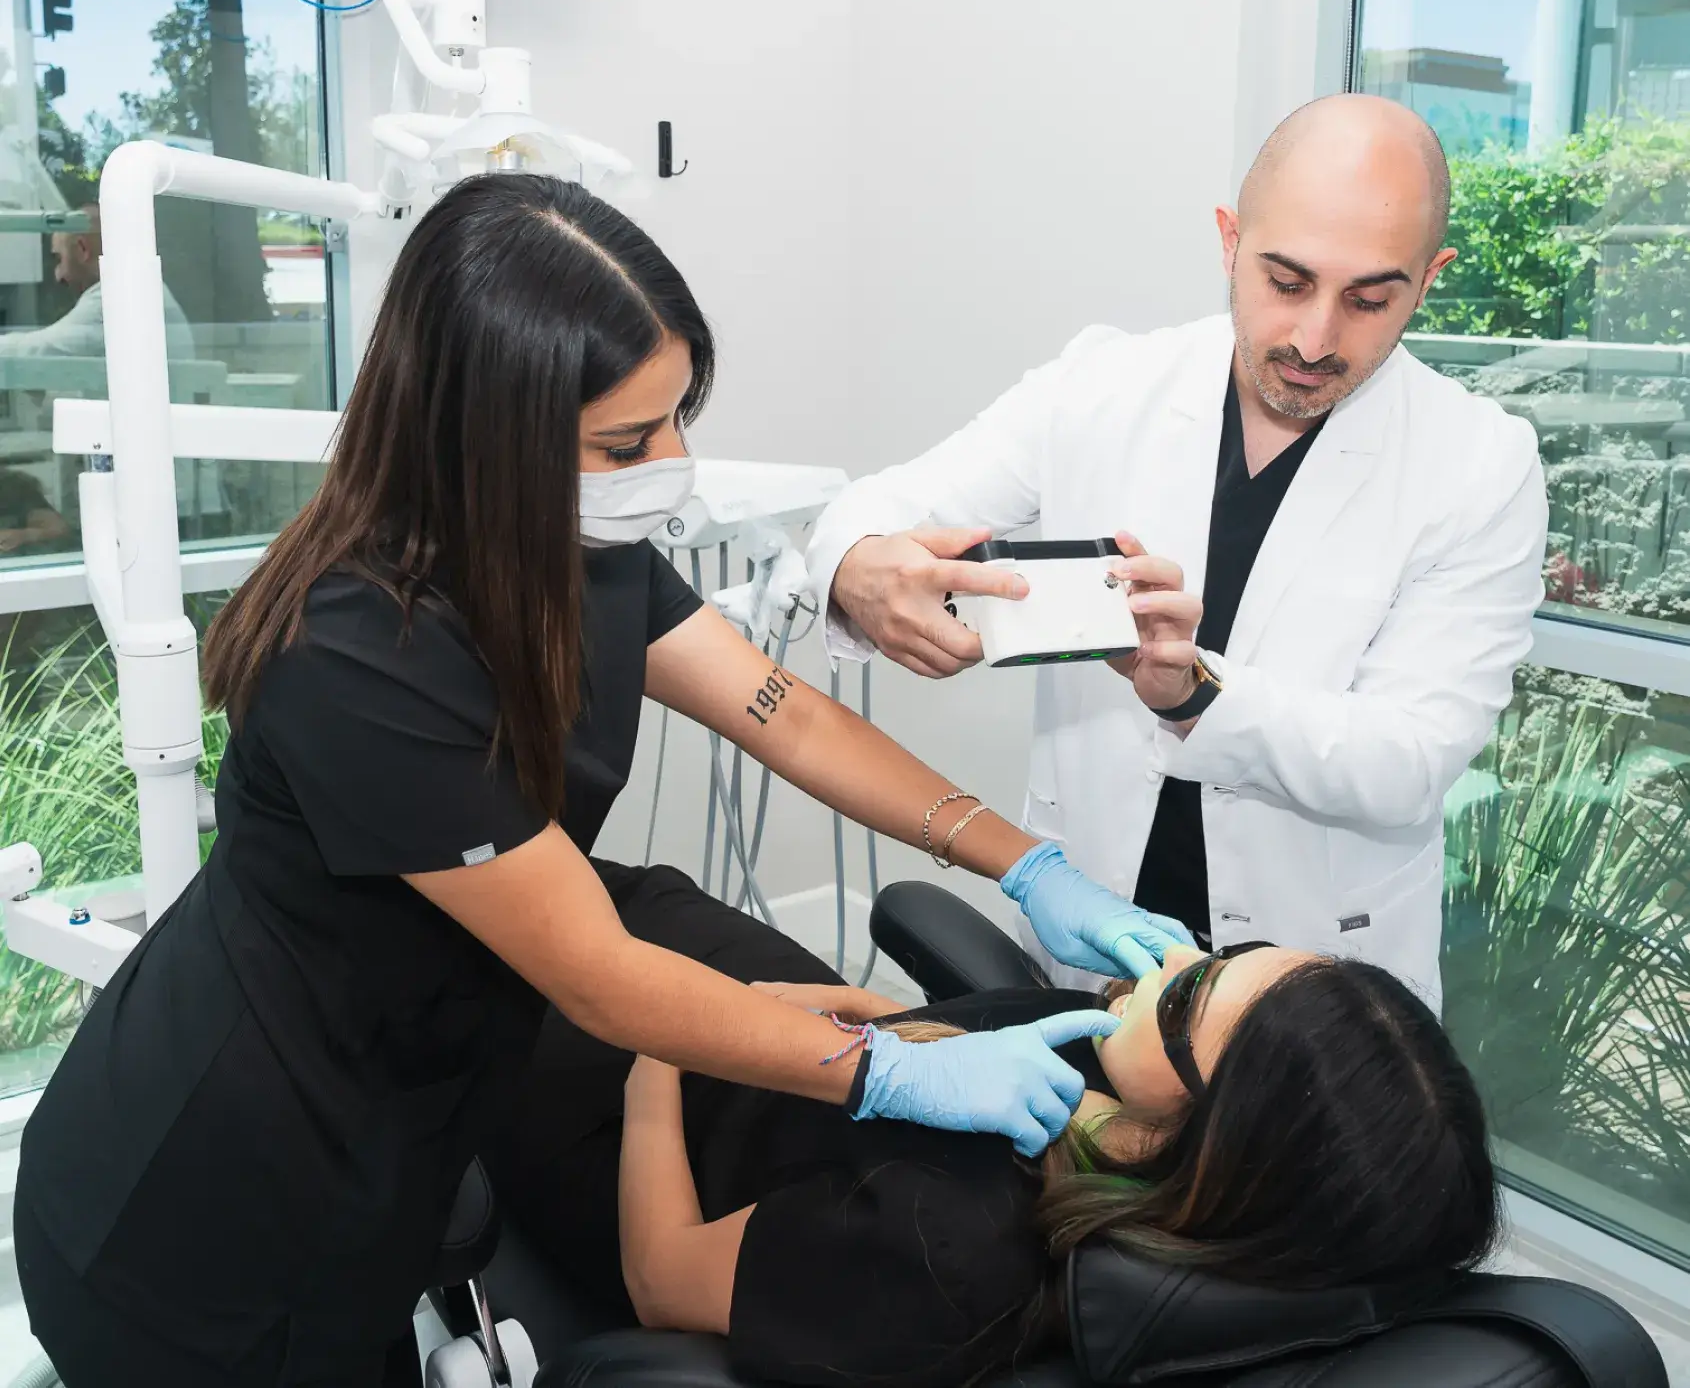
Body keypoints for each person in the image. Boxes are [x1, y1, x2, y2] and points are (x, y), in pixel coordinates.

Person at [14, 174, 1191, 1388]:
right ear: (490, 437)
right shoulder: (364, 649)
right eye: (628, 443)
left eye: (679, 416)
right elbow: (604, 975)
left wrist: (1021, 859)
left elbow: (785, 719)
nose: (671, 465)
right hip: (208, 1192)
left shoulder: (578, 547)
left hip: (406, 1112)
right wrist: (888, 1066)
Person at [807, 95, 1550, 1005]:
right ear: (1230, 242)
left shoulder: (1479, 462)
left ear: (1429, 280)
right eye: (1286, 281)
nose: (1316, 339)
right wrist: (859, 565)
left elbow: (1406, 761)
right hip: (1094, 939)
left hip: (1316, 981)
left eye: (1369, 298)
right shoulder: (1104, 386)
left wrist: (1195, 694)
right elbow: (873, 508)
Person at [486, 880, 1498, 1388]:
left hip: (608, 1090)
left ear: (1191, 1141)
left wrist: (661, 1043)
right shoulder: (1099, 1085)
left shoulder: (942, 1249)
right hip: (735, 1014)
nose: (1172, 959)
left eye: (1189, 993)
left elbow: (663, 1275)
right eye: (1220, 952)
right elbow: (935, 1043)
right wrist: (860, 1018)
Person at [0, 203, 194, 361]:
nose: (58, 276)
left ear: (82, 249)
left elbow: (38, 351)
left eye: (60, 259)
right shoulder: (138, 287)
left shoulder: (113, 299)